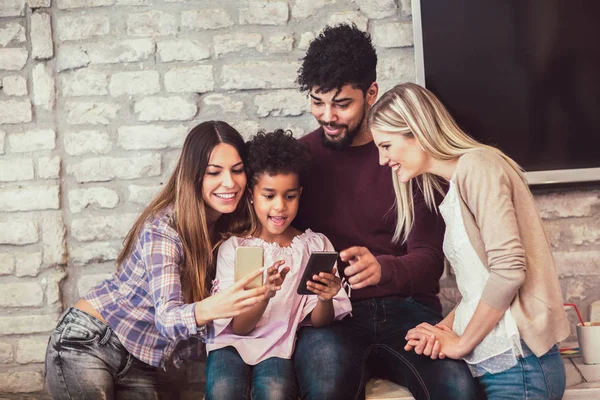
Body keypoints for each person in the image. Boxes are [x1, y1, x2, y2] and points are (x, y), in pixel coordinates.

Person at [292, 24, 477, 400]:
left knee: (458, 388)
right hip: (332, 316)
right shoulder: (300, 159)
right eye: (317, 101)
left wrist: (383, 268)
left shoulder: (408, 155)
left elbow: (430, 261)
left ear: (371, 93)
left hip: (408, 310)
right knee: (325, 389)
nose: (327, 116)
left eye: (342, 104)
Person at [44, 121, 273, 399]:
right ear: (194, 175)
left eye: (237, 170)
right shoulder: (164, 228)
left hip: (140, 361)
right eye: (214, 172)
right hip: (90, 340)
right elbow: (166, 318)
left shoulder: (230, 232)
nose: (230, 182)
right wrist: (215, 307)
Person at [369, 82, 569, 399]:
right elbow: (482, 288)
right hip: (502, 369)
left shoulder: (479, 168)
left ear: (416, 132)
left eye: (386, 146)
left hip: (519, 371)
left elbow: (509, 271)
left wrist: (461, 343)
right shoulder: (457, 186)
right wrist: (445, 328)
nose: (383, 160)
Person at [205, 129, 352, 400]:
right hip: (231, 343)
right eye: (269, 195)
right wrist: (264, 296)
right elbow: (240, 328)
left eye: (290, 196)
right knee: (222, 391)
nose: (280, 207)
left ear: (300, 194)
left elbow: (319, 323)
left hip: (277, 346)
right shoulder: (236, 248)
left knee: (276, 392)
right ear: (251, 195)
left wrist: (325, 298)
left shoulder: (314, 245)